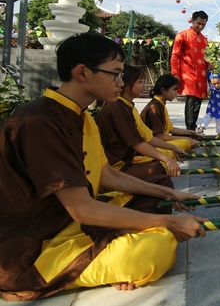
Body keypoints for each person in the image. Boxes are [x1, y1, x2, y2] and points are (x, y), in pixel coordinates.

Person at [0, 33, 205, 301]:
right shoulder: (40, 122)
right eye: (116, 74)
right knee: (157, 247)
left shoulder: (81, 115)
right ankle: (110, 256)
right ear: (83, 72)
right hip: (33, 247)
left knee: (157, 189)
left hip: (68, 220)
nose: (121, 83)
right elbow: (82, 208)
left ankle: (114, 248)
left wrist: (171, 195)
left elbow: (105, 174)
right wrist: (168, 221)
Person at [98, 65, 186, 179]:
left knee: (165, 159)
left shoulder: (127, 106)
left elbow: (147, 137)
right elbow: (137, 142)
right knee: (159, 168)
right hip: (115, 166)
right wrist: (167, 158)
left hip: (128, 159)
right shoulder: (117, 107)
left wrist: (172, 148)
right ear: (126, 83)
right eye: (140, 82)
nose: (144, 86)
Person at [171, 10, 213, 131]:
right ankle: (189, 128)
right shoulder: (182, 35)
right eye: (198, 23)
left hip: (200, 73)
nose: (200, 26)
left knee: (198, 99)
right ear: (192, 21)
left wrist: (207, 64)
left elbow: (200, 58)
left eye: (203, 24)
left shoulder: (204, 40)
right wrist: (175, 73)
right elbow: (175, 55)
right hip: (187, 71)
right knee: (191, 98)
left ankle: (193, 126)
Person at [141, 74, 201, 152]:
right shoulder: (155, 108)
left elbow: (170, 129)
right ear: (163, 90)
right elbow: (159, 137)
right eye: (174, 90)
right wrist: (187, 139)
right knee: (185, 142)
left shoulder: (160, 104)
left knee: (189, 136)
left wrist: (191, 132)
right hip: (150, 146)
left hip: (156, 141)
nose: (176, 93)